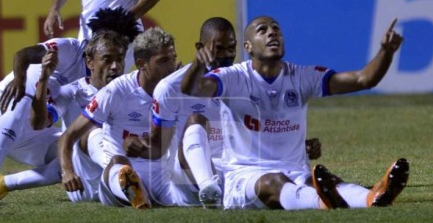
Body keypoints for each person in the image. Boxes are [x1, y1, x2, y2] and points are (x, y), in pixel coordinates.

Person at [180, 16, 410, 210]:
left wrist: (386, 52)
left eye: (276, 30)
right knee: (274, 182)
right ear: (248, 46)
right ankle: (323, 202)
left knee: (324, 181)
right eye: (263, 30)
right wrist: (199, 64)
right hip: (244, 177)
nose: (272, 33)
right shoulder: (233, 77)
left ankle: (373, 197)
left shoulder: (301, 76)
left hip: (295, 170)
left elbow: (363, 79)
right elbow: (192, 88)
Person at [127, 17, 324, 209]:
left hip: (236, 172)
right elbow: (159, 147)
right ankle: (208, 189)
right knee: (196, 120)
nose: (225, 55)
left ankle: (327, 199)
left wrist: (296, 145)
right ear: (199, 48)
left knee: (287, 183)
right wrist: (137, 147)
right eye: (217, 49)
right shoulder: (170, 88)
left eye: (231, 48)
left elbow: (258, 132)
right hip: (189, 176)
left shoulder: (242, 80)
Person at [0, 7, 139, 207]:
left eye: (121, 48)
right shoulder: (69, 49)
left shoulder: (108, 79)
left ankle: (3, 184)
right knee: (22, 100)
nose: (117, 58)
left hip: (31, 131)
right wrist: (20, 79)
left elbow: (39, 123)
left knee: (74, 156)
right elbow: (23, 54)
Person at [59, 27, 178, 209]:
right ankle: (132, 191)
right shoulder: (116, 91)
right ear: (141, 64)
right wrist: (67, 171)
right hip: (116, 172)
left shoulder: (177, 87)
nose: (171, 67)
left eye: (173, 59)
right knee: (106, 148)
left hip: (159, 173)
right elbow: (68, 135)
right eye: (163, 61)